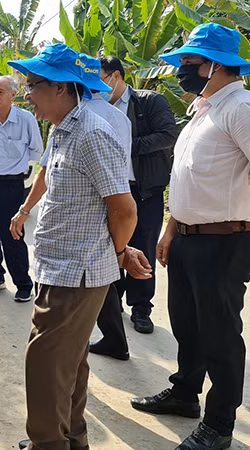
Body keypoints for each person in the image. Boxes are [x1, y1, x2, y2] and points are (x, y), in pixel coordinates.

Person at [5, 44, 151, 450]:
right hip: (59, 266)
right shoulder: (63, 129)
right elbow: (48, 176)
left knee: (45, 364)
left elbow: (124, 210)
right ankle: (71, 439)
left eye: (33, 85)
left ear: (61, 88)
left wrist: (119, 252)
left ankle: (48, 443)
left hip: (77, 272)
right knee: (67, 363)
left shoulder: (91, 134)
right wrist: (25, 209)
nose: (27, 95)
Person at [130, 23, 250, 450]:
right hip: (188, 238)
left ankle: (219, 425)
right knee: (188, 325)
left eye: (189, 62)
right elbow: (187, 179)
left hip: (224, 242)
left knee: (220, 335)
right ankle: (185, 393)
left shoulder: (243, 108)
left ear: (217, 65)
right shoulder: (202, 110)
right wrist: (172, 229)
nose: (181, 70)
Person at [92, 56, 178, 338]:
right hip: (113, 190)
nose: (97, 88)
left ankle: (141, 308)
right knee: (113, 246)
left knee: (143, 246)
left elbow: (168, 134)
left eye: (101, 80)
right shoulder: (97, 106)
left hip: (145, 190)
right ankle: (113, 301)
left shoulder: (148, 102)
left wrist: (128, 145)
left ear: (115, 76)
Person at [77, 54, 135, 361]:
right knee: (105, 270)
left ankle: (112, 339)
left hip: (91, 205)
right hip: (115, 197)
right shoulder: (117, 116)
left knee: (99, 274)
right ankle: (115, 339)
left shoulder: (80, 115)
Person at [0, 75, 42, 302]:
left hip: (11, 184)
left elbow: (36, 150)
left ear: (13, 95)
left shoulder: (26, 120)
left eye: (0, 92)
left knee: (12, 233)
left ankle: (23, 283)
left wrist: (19, 169)